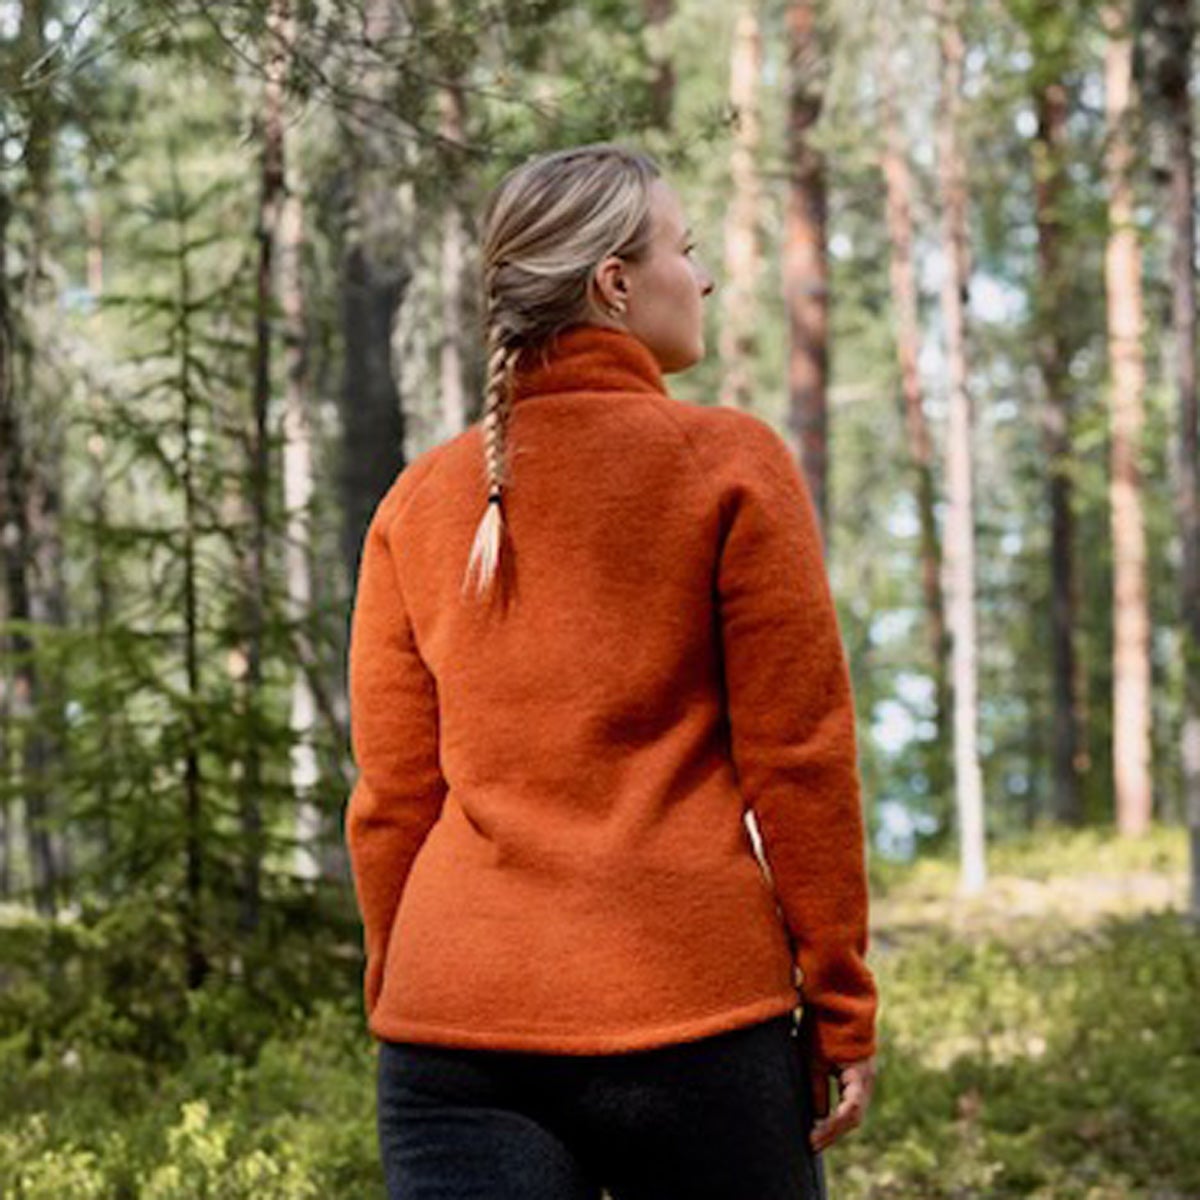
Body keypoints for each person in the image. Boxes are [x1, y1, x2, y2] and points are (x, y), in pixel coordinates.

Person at [344, 142, 879, 1200]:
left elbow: (393, 798)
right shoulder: (730, 464)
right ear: (615, 283)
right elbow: (799, 761)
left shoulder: (418, 500)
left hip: (453, 1031)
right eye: (686, 248)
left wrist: (408, 987)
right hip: (695, 1020)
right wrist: (841, 1004)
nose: (704, 278)